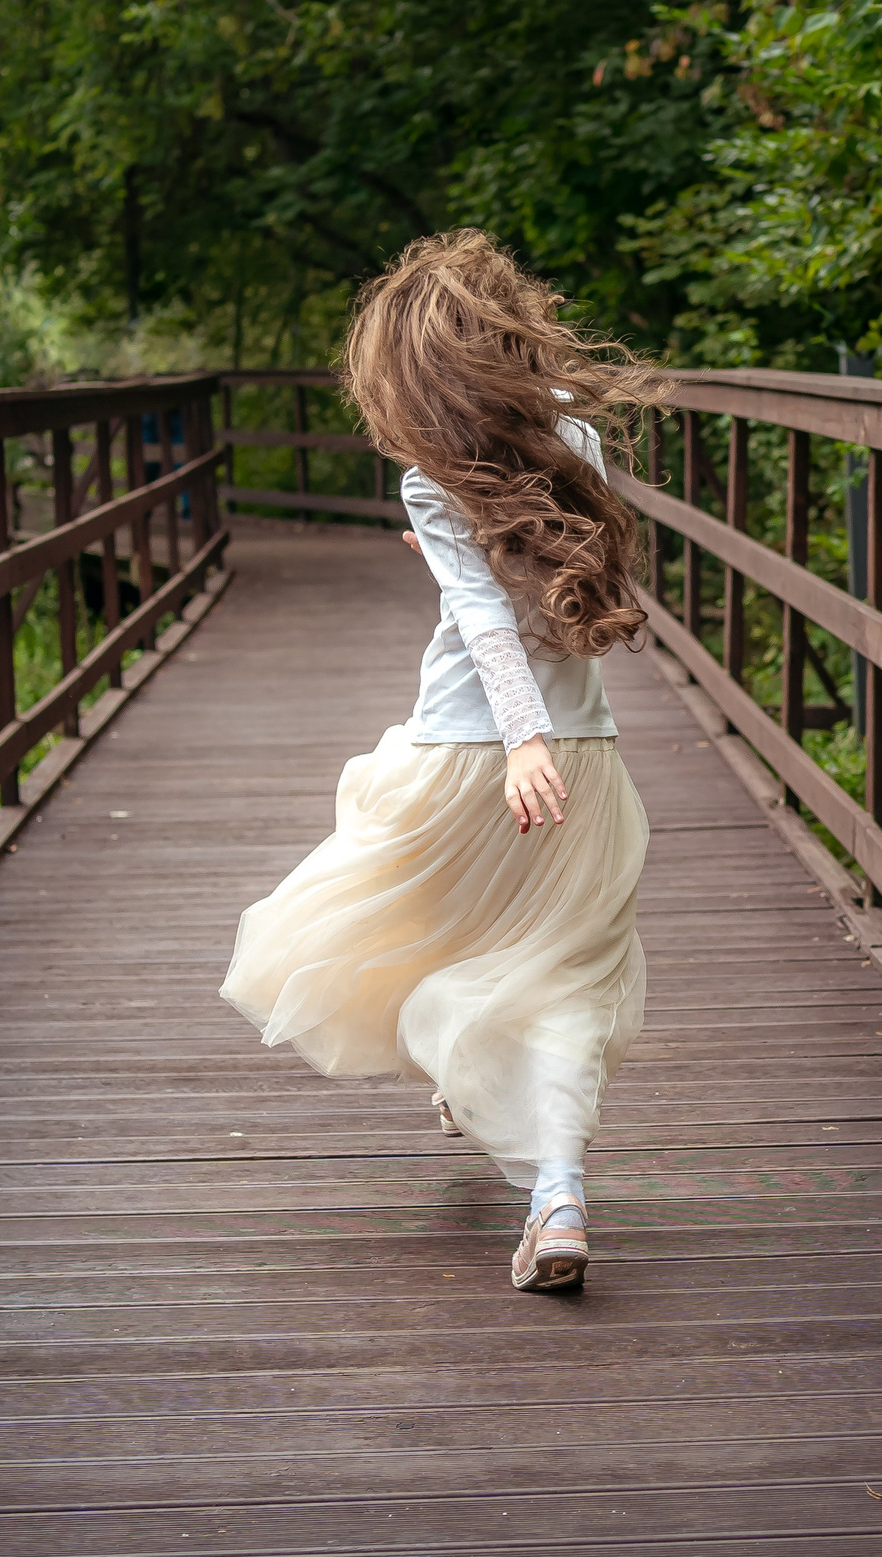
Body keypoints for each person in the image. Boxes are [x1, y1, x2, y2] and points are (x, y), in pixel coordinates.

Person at [221, 229, 667, 1291]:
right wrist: (542, 734)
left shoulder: (433, 476)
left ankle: (467, 1077)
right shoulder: (573, 441)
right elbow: (566, 603)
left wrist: (515, 740)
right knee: (564, 978)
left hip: (470, 756)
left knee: (411, 934)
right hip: (584, 762)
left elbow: (482, 622)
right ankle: (556, 1191)